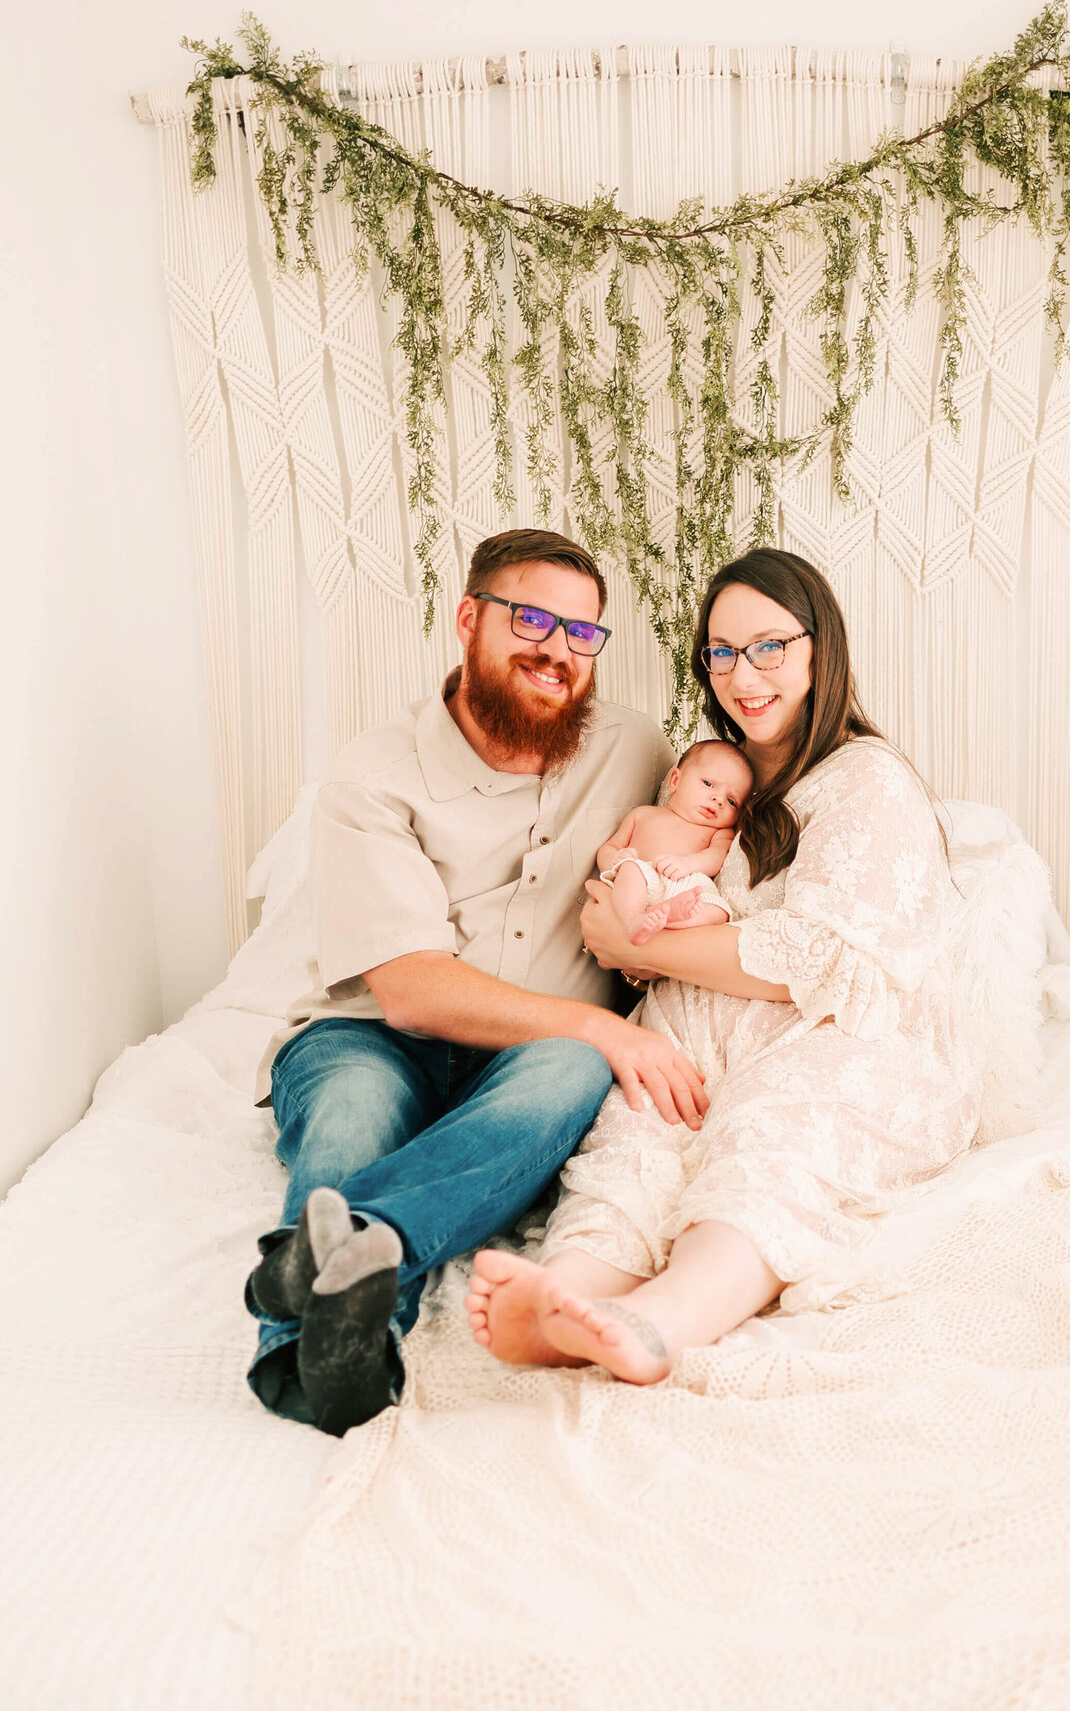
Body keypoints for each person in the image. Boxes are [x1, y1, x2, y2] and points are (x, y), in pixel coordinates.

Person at [466, 547, 981, 1384]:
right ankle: (564, 1297)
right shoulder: (714, 786)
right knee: (636, 1138)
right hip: (704, 1028)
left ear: (821, 648)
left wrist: (638, 944)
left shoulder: (866, 779)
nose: (745, 674)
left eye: (769, 646)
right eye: (722, 651)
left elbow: (817, 957)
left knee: (768, 1139)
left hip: (836, 1035)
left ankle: (660, 1322)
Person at [245, 527, 706, 1435]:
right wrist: (608, 1025)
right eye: (534, 619)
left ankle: (333, 1262)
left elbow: (728, 836)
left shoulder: (638, 749)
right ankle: (312, 1357)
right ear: (469, 618)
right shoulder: (374, 774)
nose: (560, 652)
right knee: (351, 1116)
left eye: (584, 634)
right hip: (370, 1034)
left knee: (574, 1066)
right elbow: (412, 989)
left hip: (532, 1063)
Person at [597, 740, 752, 945]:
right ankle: (633, 920)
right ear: (675, 781)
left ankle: (666, 920)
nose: (719, 800)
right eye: (708, 784)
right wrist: (614, 859)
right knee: (629, 869)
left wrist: (688, 864)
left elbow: (717, 856)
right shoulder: (643, 814)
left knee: (720, 912)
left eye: (732, 801)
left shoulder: (719, 831)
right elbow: (609, 847)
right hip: (644, 878)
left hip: (687, 886)